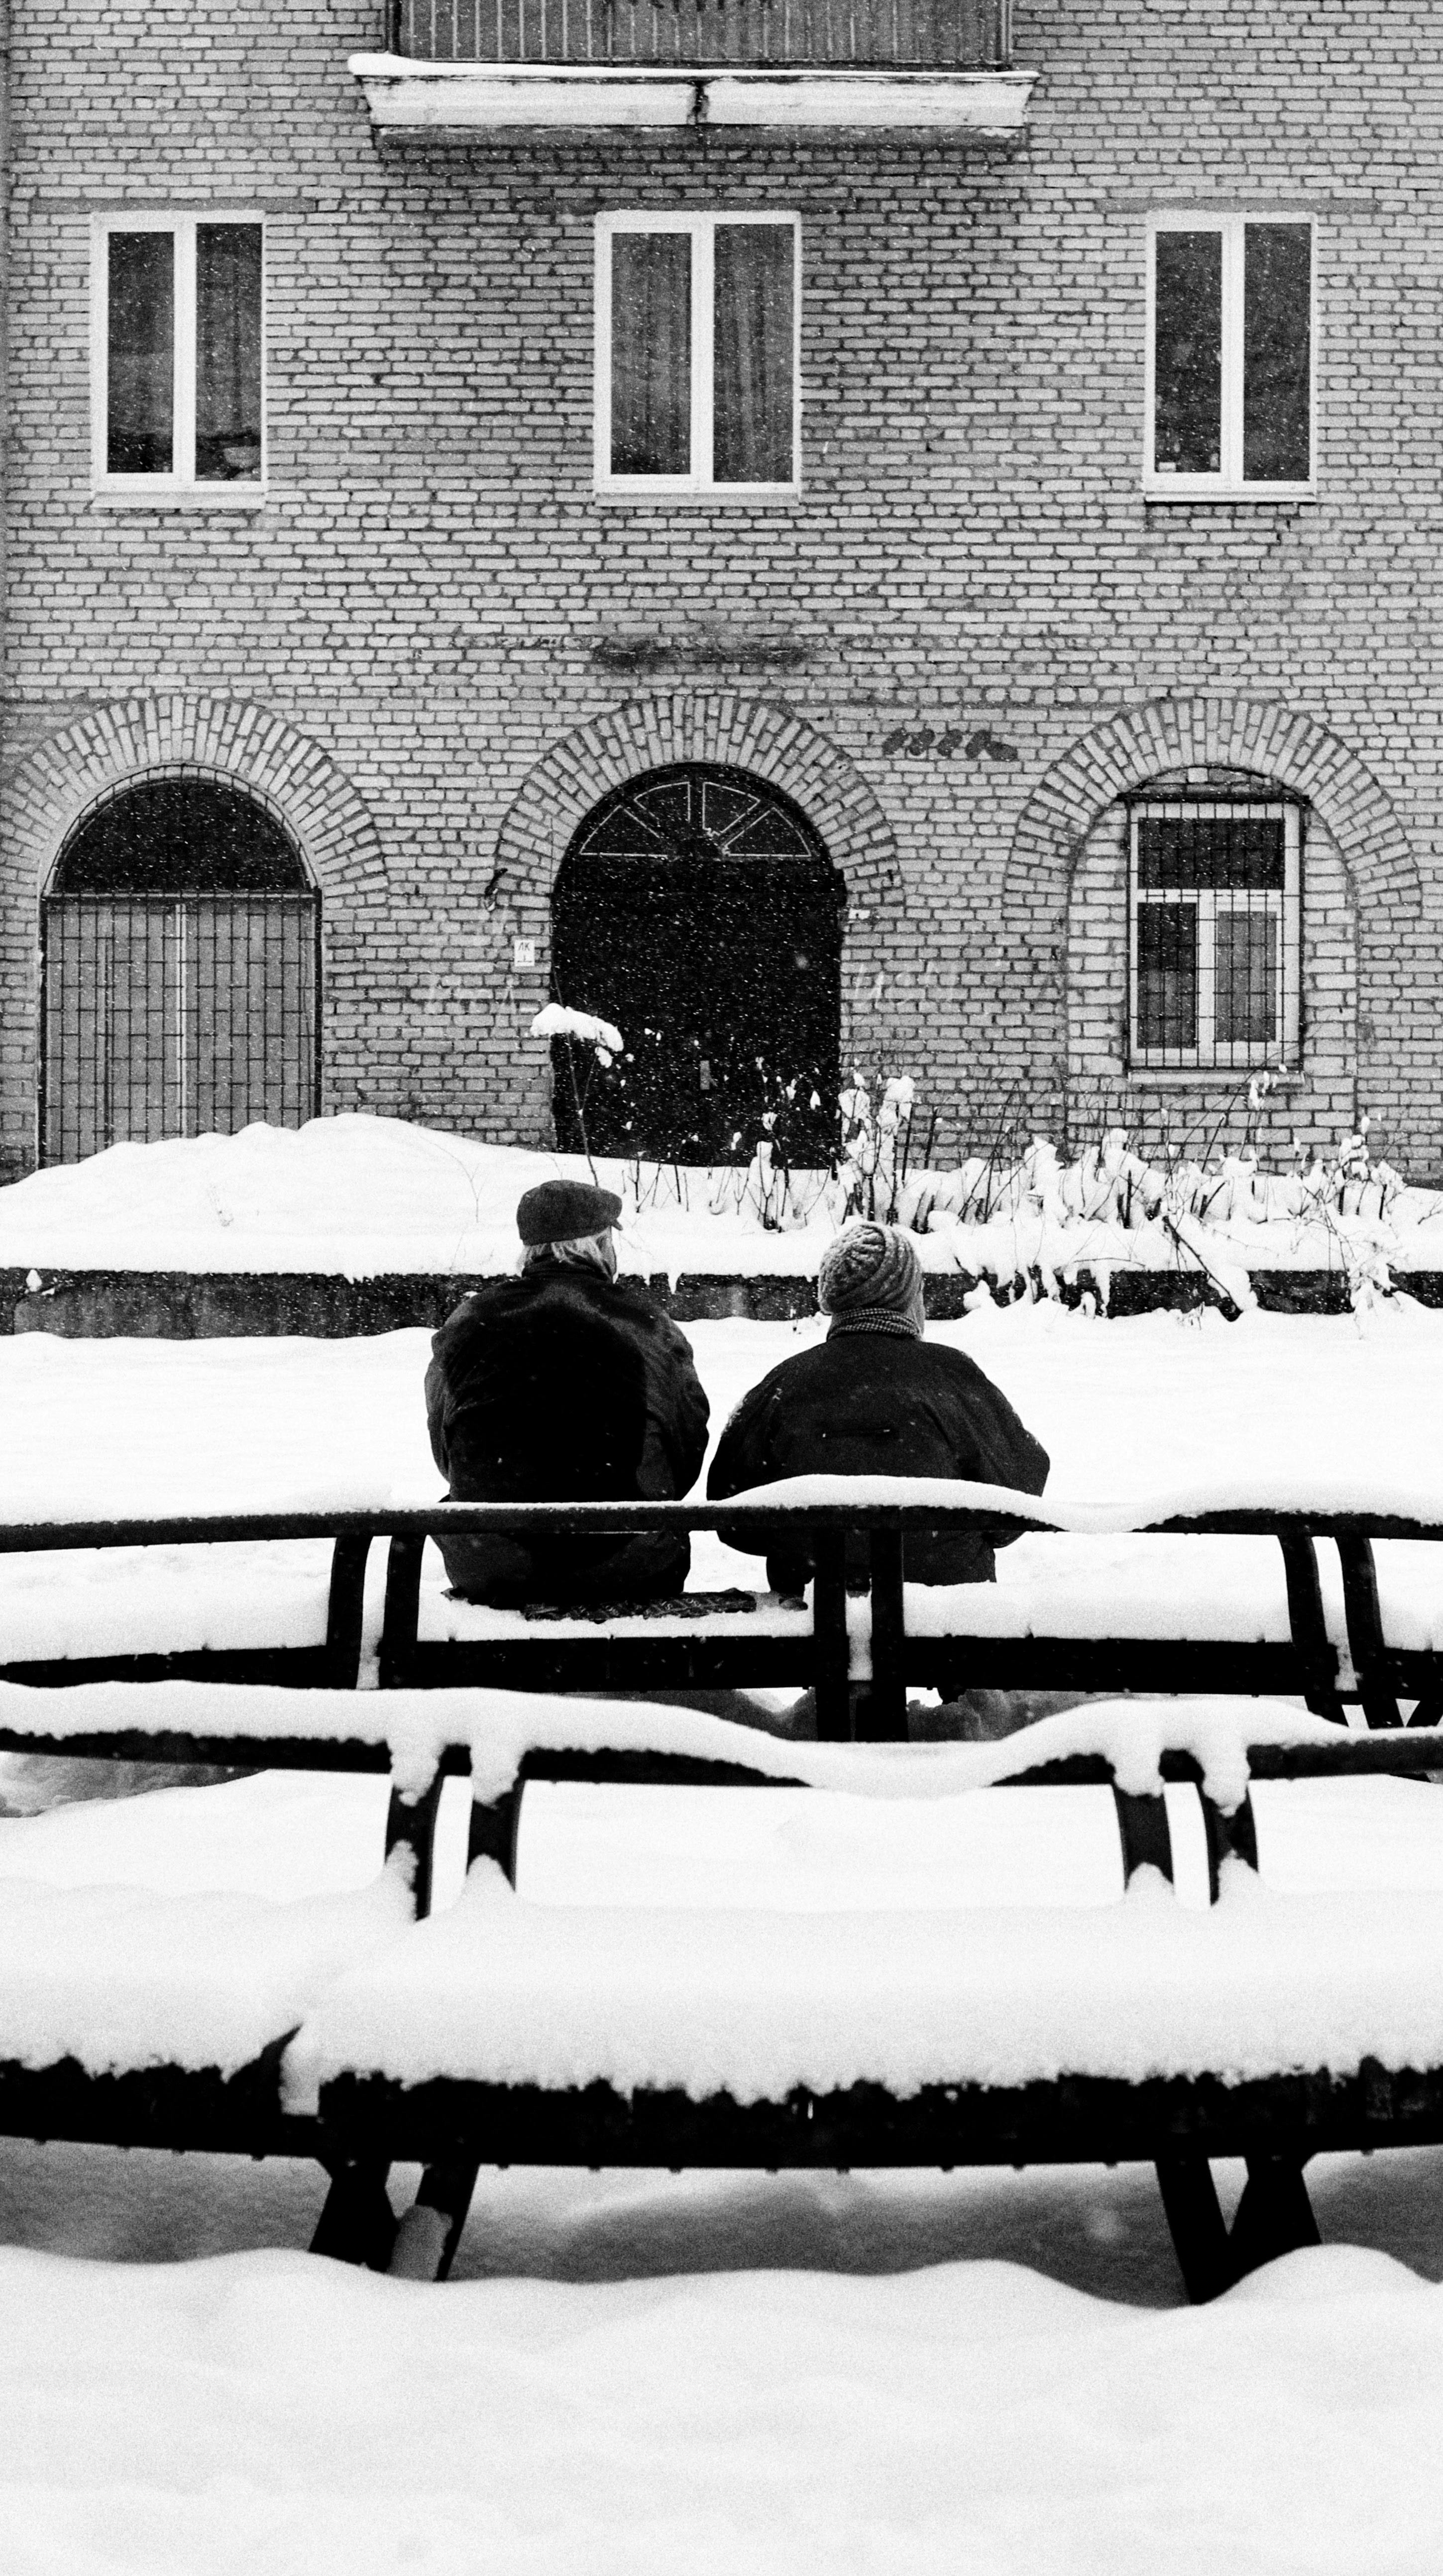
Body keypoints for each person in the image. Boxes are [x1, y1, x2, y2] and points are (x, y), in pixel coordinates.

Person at [707, 1219, 1049, 1597]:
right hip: (945, 1626)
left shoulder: (785, 1384)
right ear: (906, 1299)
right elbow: (1015, 1505)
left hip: (814, 1625)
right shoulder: (952, 1377)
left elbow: (733, 1517)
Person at [425, 1178, 709, 1605]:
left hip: (493, 1562)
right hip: (630, 1561)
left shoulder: (470, 1321)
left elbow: (447, 1444)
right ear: (599, 1243)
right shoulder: (645, 1323)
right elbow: (686, 1446)